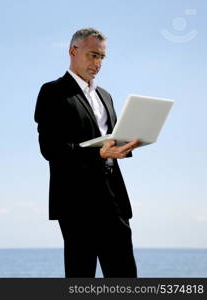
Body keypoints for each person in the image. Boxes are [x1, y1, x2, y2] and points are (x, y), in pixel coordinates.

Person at [34, 28, 141, 278]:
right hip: (76, 201)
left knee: (125, 274)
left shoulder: (106, 96)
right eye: (93, 55)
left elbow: (109, 143)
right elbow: (51, 149)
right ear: (73, 51)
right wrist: (98, 155)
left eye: (102, 57)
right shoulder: (52, 92)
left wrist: (125, 147)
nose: (98, 63)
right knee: (82, 277)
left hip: (114, 198)